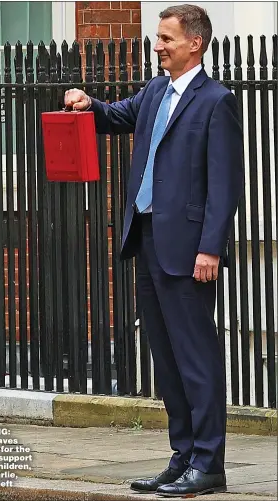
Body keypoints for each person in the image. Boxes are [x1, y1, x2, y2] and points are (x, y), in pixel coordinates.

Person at [64, 4, 242, 498]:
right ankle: (182, 456)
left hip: (189, 251)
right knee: (165, 358)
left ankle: (209, 464)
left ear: (195, 43)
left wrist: (211, 249)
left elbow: (225, 186)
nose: (157, 45)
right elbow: (117, 116)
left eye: (166, 38)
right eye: (157, 37)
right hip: (146, 239)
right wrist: (87, 103)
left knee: (196, 358)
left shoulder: (216, 101)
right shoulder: (156, 91)